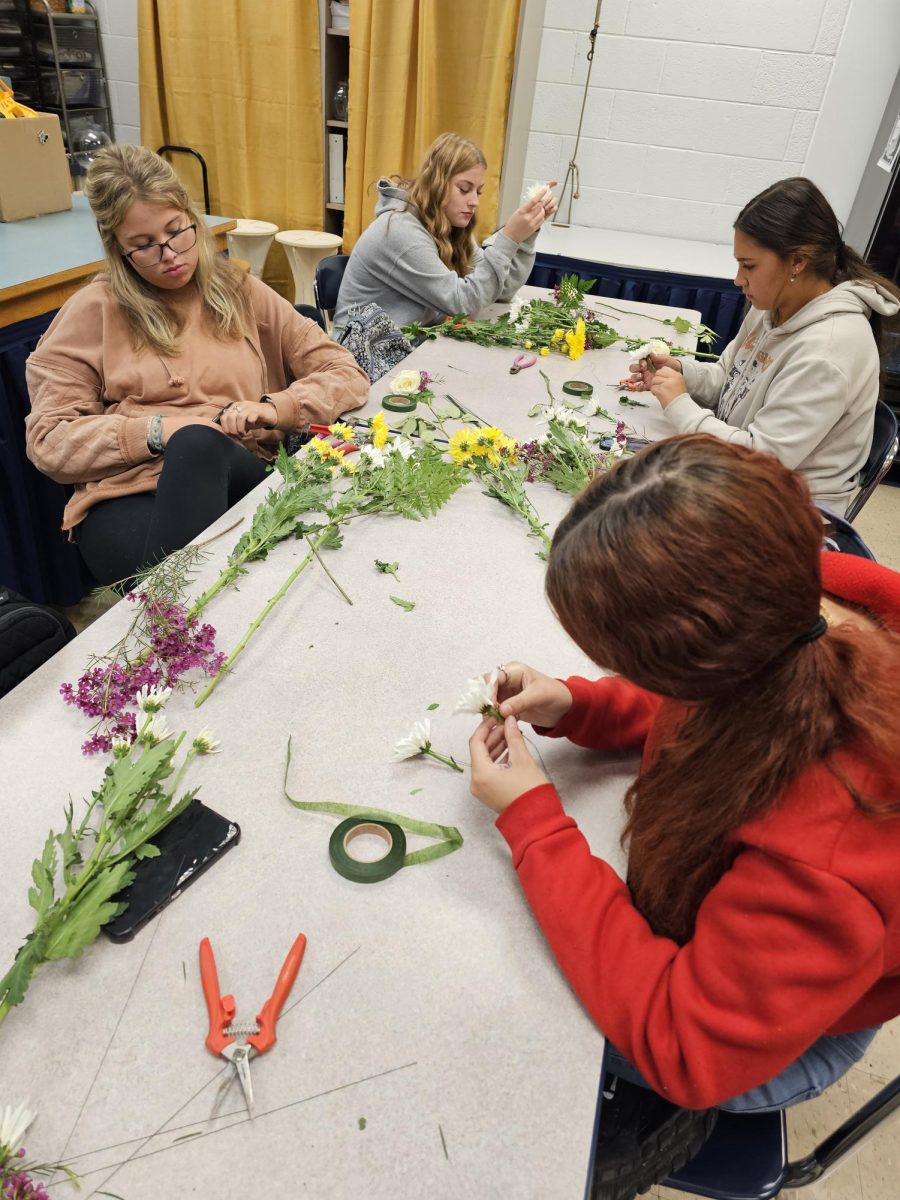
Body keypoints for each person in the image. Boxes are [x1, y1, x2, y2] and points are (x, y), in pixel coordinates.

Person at [467, 434, 900, 1199]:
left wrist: (536, 822)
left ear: (696, 664)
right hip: (778, 960)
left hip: (773, 1043)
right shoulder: (793, 599)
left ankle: (642, 1123)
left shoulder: (827, 850)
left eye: (622, 664)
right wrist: (583, 704)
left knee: (504, 1002)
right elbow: (719, 703)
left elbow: (687, 1044)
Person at [25, 144, 369, 587]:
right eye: (144, 246)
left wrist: (276, 408)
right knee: (191, 554)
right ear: (117, 250)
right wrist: (156, 432)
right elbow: (49, 442)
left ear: (192, 216)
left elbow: (346, 374)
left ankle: (166, 632)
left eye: (176, 232)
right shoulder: (93, 311)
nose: (170, 255)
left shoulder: (240, 291)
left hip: (235, 475)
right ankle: (178, 628)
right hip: (126, 495)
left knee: (198, 449)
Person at [629, 177, 900, 515]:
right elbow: (727, 379)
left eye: (749, 266)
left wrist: (681, 405)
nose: (738, 279)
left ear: (797, 263)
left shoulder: (829, 351)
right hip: (748, 476)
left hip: (790, 511)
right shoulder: (773, 305)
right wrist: (682, 373)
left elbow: (760, 461)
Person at [333, 131, 557, 332]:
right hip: (365, 357)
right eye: (464, 189)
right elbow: (463, 305)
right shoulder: (401, 232)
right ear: (436, 183)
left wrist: (526, 234)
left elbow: (499, 290)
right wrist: (509, 238)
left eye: (478, 192)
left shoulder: (448, 223)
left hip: (408, 347)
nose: (474, 202)